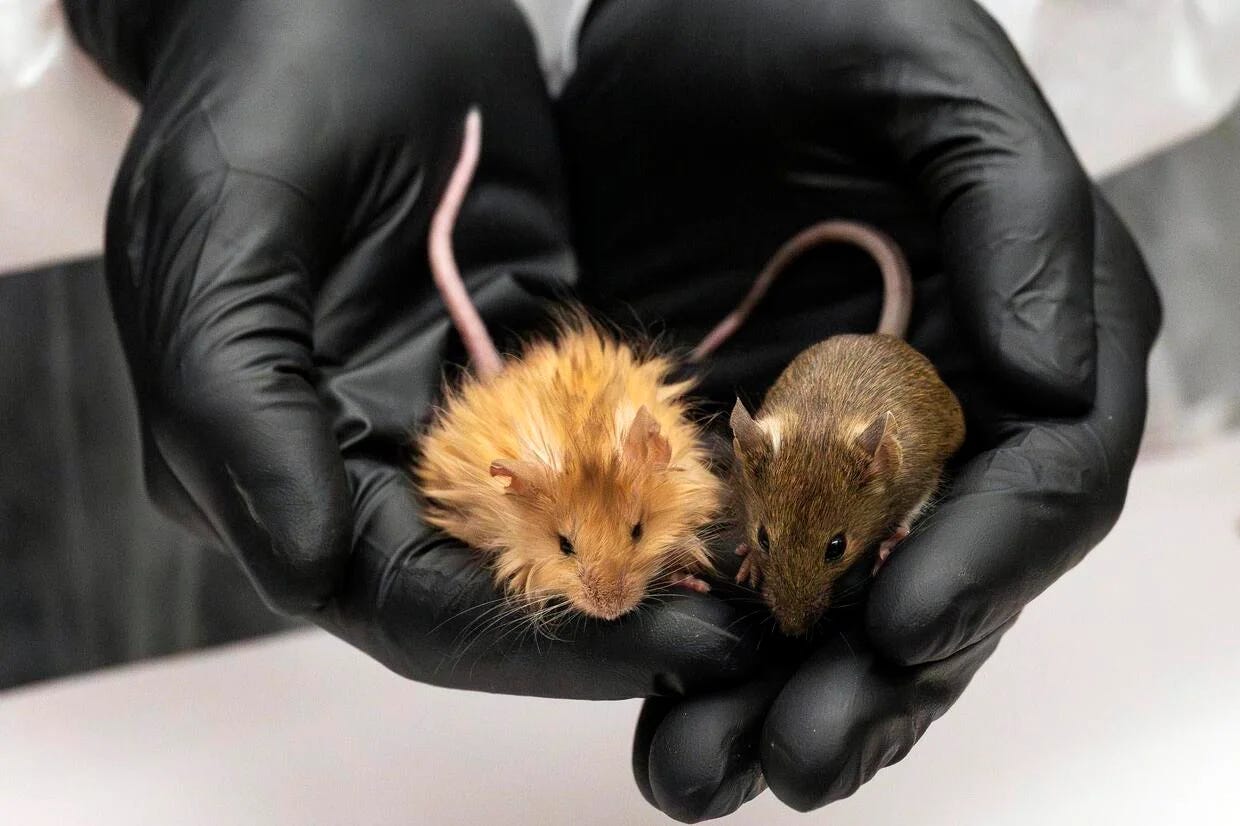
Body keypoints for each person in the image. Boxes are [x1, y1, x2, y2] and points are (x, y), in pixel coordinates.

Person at [62, 0, 1160, 819]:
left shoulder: (681, 471)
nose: (606, 586)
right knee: (259, 502)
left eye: (634, 539)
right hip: (183, 690)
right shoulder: (532, 495)